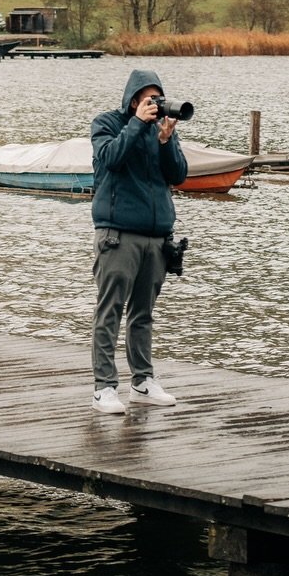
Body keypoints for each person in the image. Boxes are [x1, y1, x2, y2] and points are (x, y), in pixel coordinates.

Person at [89, 68, 187, 414]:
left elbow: (178, 175)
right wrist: (137, 124)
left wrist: (166, 142)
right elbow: (110, 158)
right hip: (118, 234)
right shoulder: (108, 124)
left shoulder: (160, 130)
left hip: (157, 236)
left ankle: (143, 381)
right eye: (148, 98)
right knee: (110, 311)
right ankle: (104, 387)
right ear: (133, 99)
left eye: (158, 97)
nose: (154, 104)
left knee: (143, 314)